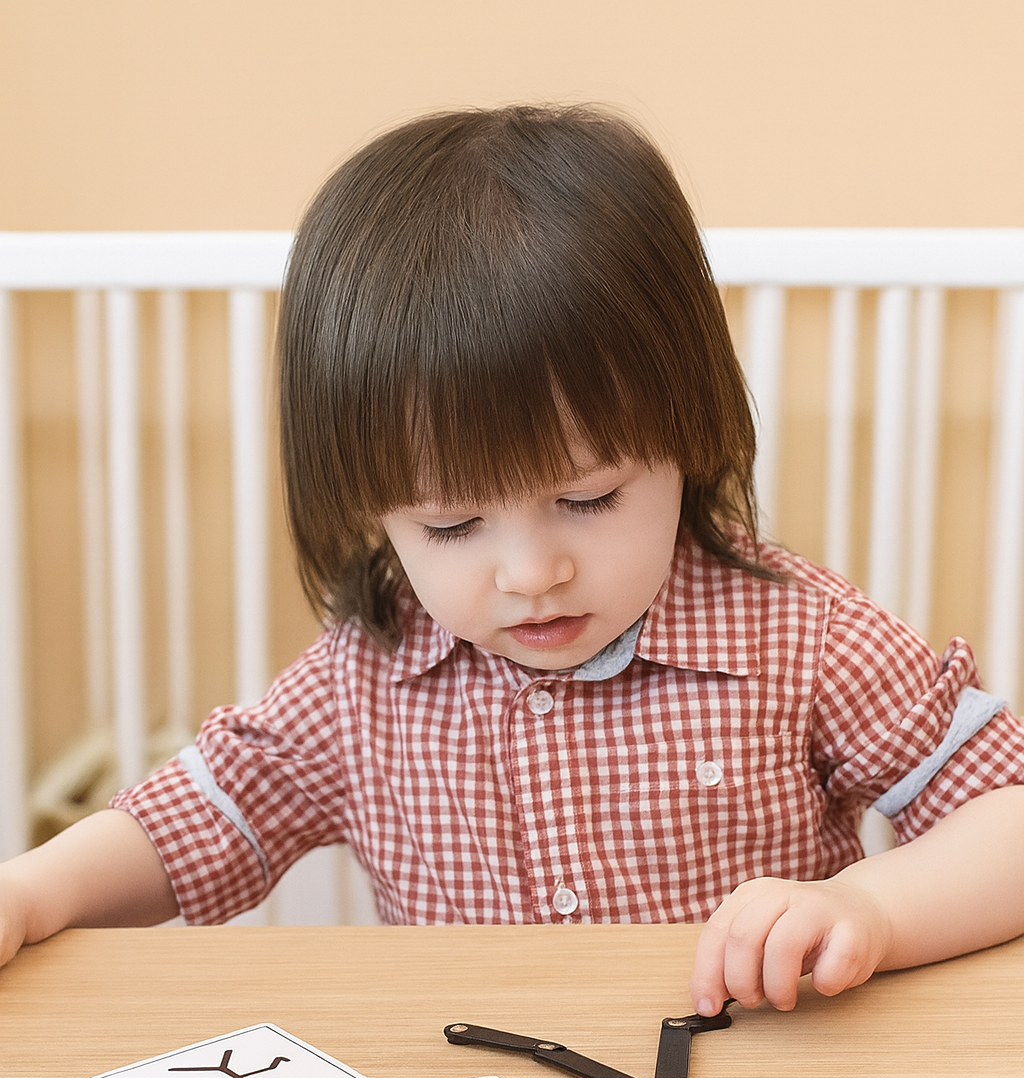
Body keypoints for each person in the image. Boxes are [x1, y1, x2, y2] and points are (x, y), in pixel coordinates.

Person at [2, 104, 1023, 1013]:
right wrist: (34, 891)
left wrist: (863, 910)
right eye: (450, 527)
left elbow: (1006, 821)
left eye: (587, 499)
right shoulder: (364, 678)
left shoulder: (800, 637)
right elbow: (199, 817)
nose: (530, 570)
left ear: (690, 434)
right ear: (372, 512)